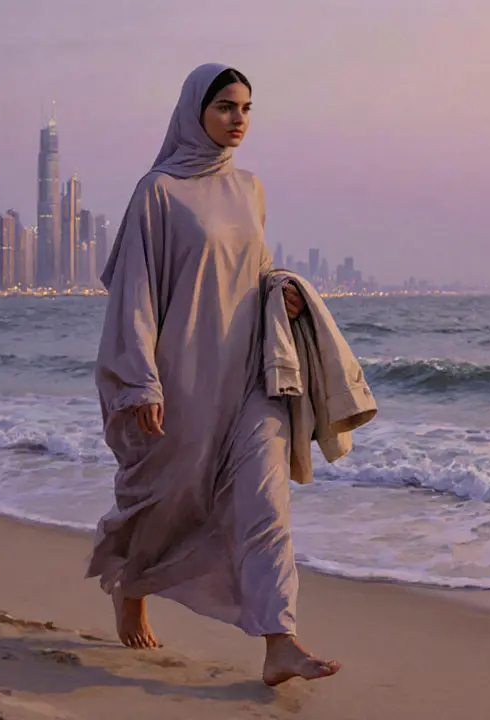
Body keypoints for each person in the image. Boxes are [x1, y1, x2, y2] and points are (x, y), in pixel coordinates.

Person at [88, 63, 339, 686]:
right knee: (167, 498)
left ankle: (281, 642)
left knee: (267, 505)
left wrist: (280, 290)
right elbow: (136, 293)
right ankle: (131, 585)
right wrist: (140, 380)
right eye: (226, 106)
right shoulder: (159, 192)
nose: (238, 119)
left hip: (251, 376)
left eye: (247, 108)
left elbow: (255, 267)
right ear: (194, 111)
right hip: (183, 377)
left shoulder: (251, 188)